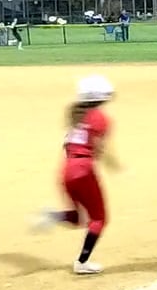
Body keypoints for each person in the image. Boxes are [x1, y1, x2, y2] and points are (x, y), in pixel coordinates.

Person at [31, 76, 119, 274]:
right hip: (84, 170)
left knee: (77, 218)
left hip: (66, 170)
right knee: (99, 219)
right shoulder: (100, 118)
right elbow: (100, 150)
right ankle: (82, 262)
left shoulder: (75, 117)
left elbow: (68, 145)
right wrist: (115, 166)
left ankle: (53, 216)